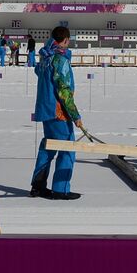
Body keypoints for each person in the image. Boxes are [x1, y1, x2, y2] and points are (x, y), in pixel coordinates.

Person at [30, 26, 84, 201]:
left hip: (45, 111)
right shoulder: (60, 60)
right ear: (66, 40)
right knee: (68, 148)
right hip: (58, 112)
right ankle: (61, 189)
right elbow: (64, 91)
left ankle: (38, 185)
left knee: (49, 147)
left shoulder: (46, 58)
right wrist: (75, 115)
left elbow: (39, 71)